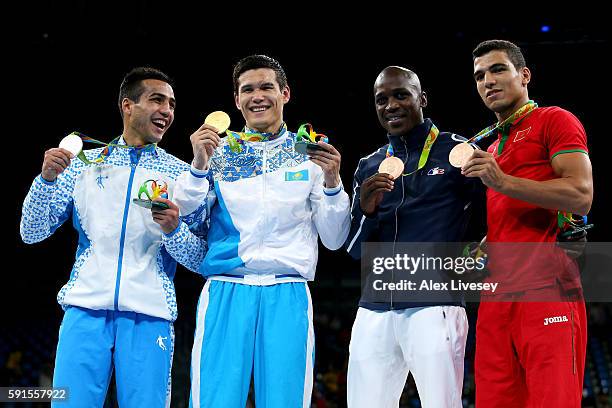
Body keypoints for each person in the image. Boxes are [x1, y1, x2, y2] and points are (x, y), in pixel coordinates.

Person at [163, 54, 351, 407]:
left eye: (266, 87)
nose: (257, 96)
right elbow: (185, 213)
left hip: (288, 291)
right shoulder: (218, 151)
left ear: (285, 93)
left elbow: (335, 238)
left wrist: (332, 182)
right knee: (213, 401)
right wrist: (199, 163)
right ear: (237, 100)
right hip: (226, 289)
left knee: (286, 401)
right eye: (248, 89)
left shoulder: (309, 153)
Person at [20, 67, 203, 407]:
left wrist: (174, 229)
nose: (167, 111)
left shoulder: (182, 176)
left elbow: (198, 258)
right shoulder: (83, 165)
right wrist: (44, 180)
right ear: (127, 106)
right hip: (84, 311)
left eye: (172, 104)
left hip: (151, 316)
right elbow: (31, 232)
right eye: (157, 100)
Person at [463, 39, 593, 407]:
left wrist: (502, 182)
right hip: (495, 298)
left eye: (498, 69)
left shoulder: (554, 119)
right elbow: (510, 212)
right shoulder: (489, 147)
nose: (488, 81)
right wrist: (485, 246)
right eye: (479, 76)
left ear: (524, 75)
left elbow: (580, 193)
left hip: (546, 289)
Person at [344, 66, 479, 407]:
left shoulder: (458, 152)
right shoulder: (369, 164)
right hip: (374, 307)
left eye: (401, 95)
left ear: (422, 98)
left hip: (434, 304)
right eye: (381, 99)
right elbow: (354, 249)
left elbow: (495, 215)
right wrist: (367, 210)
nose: (391, 105)